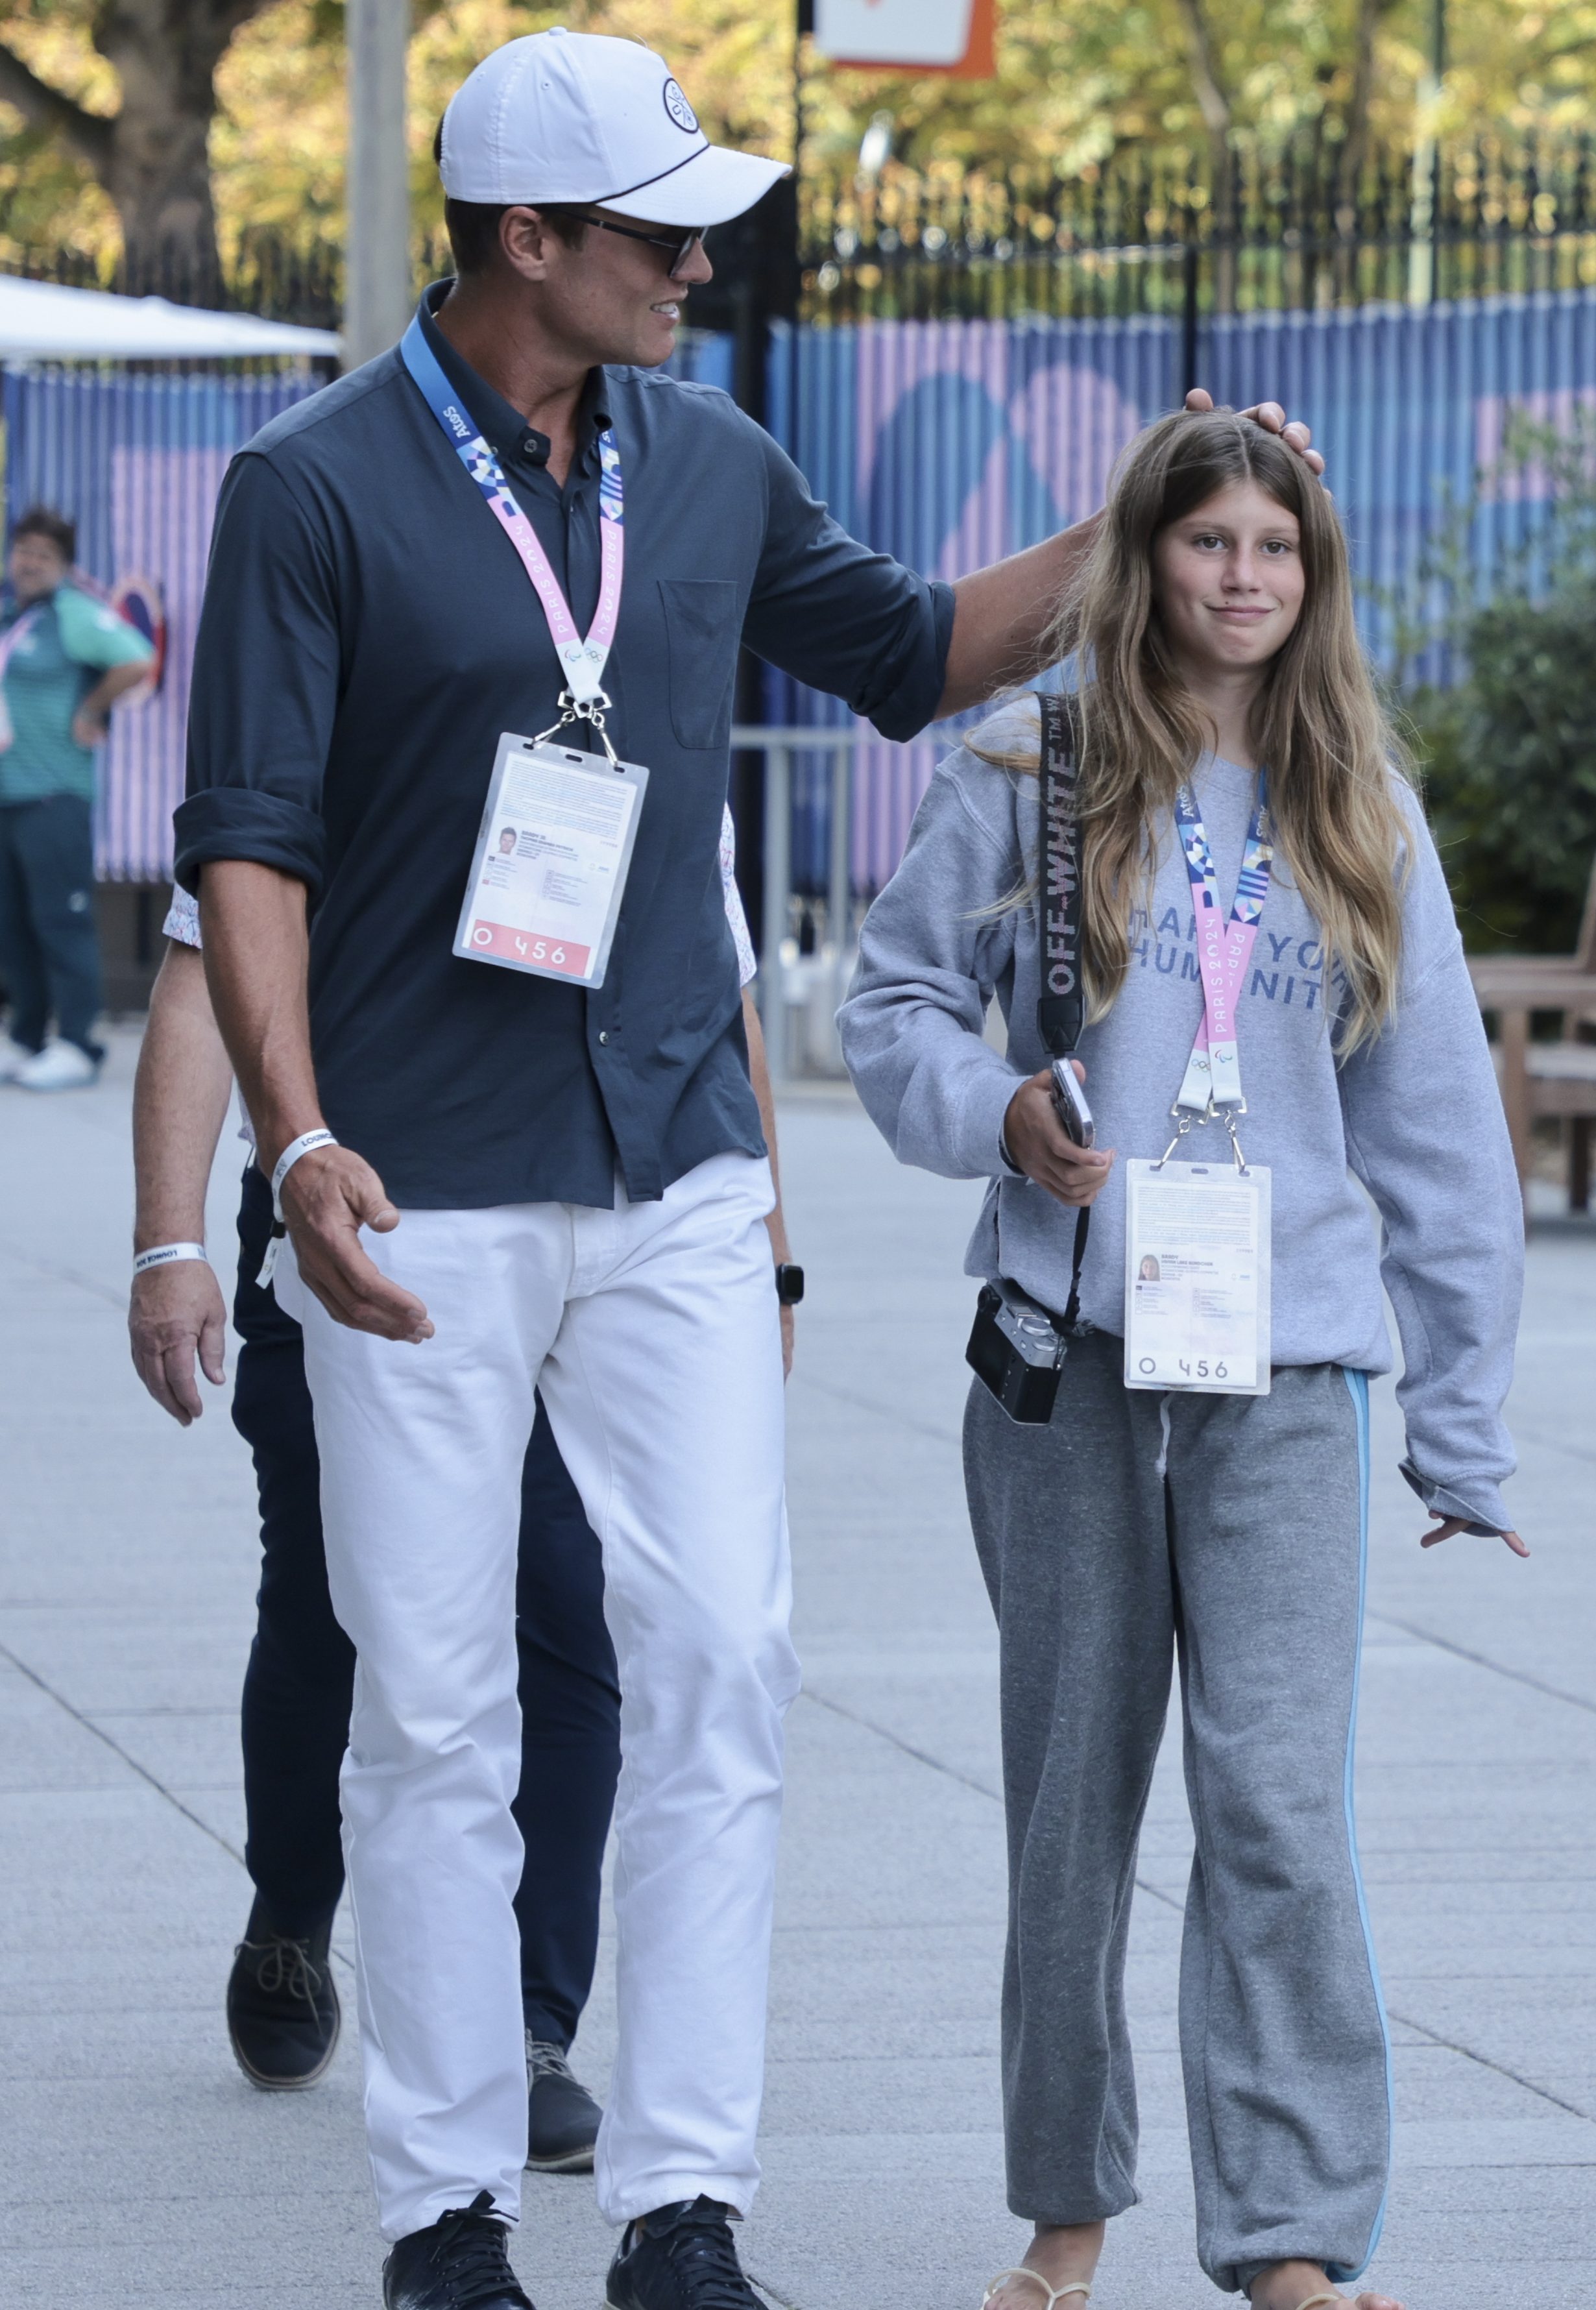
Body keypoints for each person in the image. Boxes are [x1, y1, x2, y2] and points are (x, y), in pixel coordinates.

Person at [172, 29, 1324, 2307]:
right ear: (529, 242)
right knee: (434, 1708)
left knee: (718, 1655)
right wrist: (289, 1139)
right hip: (416, 1188)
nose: (703, 263)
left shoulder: (701, 461)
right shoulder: (305, 488)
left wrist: (1147, 506)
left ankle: (683, 2204)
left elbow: (908, 657)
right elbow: (247, 852)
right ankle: (444, 2216)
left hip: (677, 1160)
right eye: (659, 231)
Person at [840, 407, 1527, 2310]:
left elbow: (1440, 1129)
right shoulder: (1036, 766)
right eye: (1208, 541)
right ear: (1145, 558)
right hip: (1067, 1365)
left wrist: (1458, 1424)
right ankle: (1065, 2210)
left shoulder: (1357, 801)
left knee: (1280, 1804)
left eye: (1276, 549)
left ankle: (1294, 2234)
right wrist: (996, 1111)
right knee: (1074, 1802)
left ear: (1313, 580)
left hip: (1289, 1379)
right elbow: (884, 999)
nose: (1242, 577)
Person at [128, 812, 779, 2172]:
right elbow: (202, 974)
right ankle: (294, 1908)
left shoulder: (647, 652)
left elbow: (720, 984)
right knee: (331, 1604)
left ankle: (528, 2025)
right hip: (359, 1203)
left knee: (568, 1594)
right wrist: (170, 1240)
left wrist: (765, 1245)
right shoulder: (350, 655)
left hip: (604, 1215)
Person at [0, 505, 155, 1089]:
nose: (30, 562)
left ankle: (79, 1043)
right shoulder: (14, 616)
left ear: (64, 565)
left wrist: (93, 708)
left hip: (54, 794)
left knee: (60, 922)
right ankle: (27, 1038)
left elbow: (138, 659)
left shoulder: (75, 613)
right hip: (7, 796)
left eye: (44, 554)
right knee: (11, 926)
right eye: (23, 550)